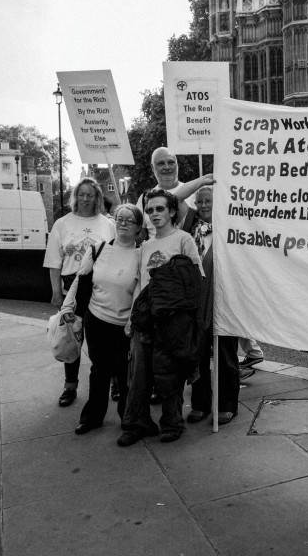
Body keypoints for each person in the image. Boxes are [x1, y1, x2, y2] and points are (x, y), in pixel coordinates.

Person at [118, 189, 203, 446]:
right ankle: (136, 424)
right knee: (140, 377)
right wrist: (131, 318)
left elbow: (195, 280)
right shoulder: (145, 246)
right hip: (146, 321)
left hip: (173, 322)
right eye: (150, 209)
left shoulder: (184, 239)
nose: (154, 214)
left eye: (160, 209)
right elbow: (140, 285)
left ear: (172, 211)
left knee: (170, 377)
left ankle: (172, 423)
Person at [61, 204, 142, 435]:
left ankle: (127, 419)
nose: (123, 223)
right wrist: (68, 306)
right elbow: (80, 278)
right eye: (119, 218)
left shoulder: (141, 255)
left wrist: (132, 321)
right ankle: (92, 417)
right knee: (99, 370)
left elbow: (140, 290)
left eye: (129, 220)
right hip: (96, 320)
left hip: (124, 325)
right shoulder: (98, 248)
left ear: (138, 228)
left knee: (124, 372)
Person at [43, 178, 116, 407]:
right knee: (71, 337)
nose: (85, 199)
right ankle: (70, 385)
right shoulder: (62, 224)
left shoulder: (107, 224)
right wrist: (56, 293)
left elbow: (117, 255)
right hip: (70, 289)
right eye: (81, 194)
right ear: (75, 197)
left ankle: (114, 382)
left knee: (105, 339)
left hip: (100, 288)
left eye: (90, 195)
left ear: (97, 198)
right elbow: (54, 261)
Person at [185, 186, 247, 425]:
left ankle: (227, 404)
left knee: (225, 355)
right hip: (197, 303)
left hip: (224, 300)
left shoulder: (230, 230)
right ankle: (200, 404)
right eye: (199, 201)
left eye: (208, 200)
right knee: (197, 355)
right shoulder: (190, 230)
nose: (203, 205)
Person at [135, 147, 214, 238]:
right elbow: (139, 236)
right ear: (152, 167)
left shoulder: (195, 193)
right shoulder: (145, 198)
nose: (167, 167)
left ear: (177, 164)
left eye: (171, 162)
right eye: (161, 163)